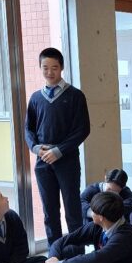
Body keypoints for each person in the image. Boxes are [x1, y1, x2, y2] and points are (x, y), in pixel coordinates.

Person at [24, 47, 90, 246]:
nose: (49, 72)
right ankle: (55, 253)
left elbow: (82, 129)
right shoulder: (36, 98)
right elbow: (28, 129)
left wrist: (59, 151)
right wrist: (36, 148)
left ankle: (76, 254)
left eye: (54, 67)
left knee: (72, 210)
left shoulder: (75, 95)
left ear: (61, 67)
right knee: (49, 211)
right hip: (42, 160)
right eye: (45, 67)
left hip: (67, 159)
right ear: (40, 68)